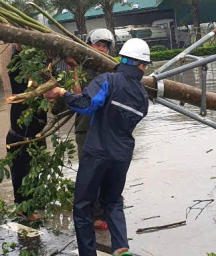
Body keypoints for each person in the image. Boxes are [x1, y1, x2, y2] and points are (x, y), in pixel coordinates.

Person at [45, 38, 151, 256]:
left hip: (97, 152)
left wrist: (63, 93)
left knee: (83, 206)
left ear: (123, 59)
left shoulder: (108, 80)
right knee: (113, 201)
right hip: (122, 155)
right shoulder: (142, 96)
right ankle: (121, 247)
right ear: (141, 65)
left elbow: (87, 105)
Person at [65, 28, 114, 230]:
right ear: (89, 46)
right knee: (90, 172)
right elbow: (78, 97)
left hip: (106, 129)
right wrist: (75, 71)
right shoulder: (82, 69)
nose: (102, 49)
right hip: (86, 128)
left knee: (108, 171)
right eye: (98, 45)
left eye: (105, 46)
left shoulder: (111, 70)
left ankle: (105, 209)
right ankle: (94, 215)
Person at [5, 44, 49, 217]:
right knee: (20, 172)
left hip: (37, 135)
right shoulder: (18, 78)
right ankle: (23, 207)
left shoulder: (43, 80)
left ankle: (35, 200)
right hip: (19, 136)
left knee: (35, 171)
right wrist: (19, 48)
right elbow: (15, 66)